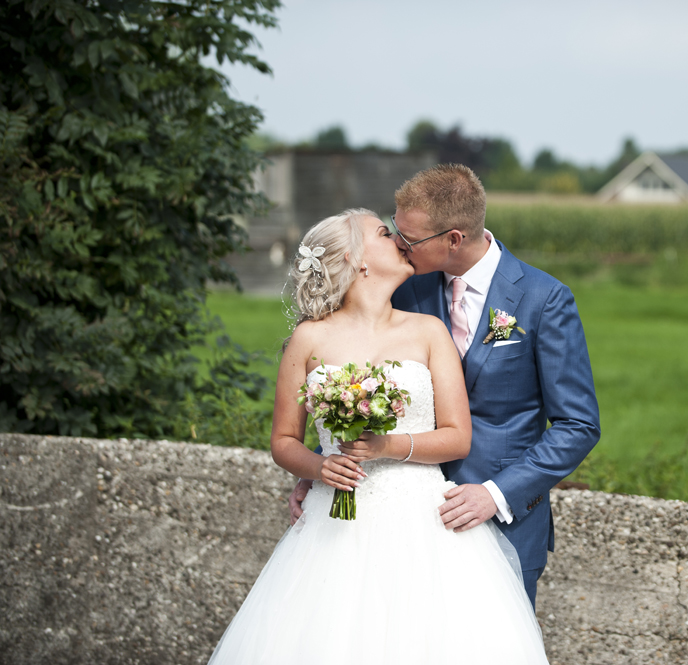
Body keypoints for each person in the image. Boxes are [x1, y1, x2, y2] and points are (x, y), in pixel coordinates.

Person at [208, 209, 549, 664]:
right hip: (334, 527)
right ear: (358, 260)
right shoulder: (308, 339)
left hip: (423, 521)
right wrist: (319, 467)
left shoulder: (428, 332)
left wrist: (388, 446)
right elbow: (284, 441)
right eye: (385, 233)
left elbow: (456, 437)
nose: (400, 240)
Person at [288, 164, 602, 606]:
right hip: (399, 518)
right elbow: (359, 375)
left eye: (409, 238)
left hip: (498, 518)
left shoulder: (543, 299)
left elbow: (578, 425)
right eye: (394, 230)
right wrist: (321, 466)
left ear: (453, 239)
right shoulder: (404, 286)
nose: (399, 243)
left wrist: (496, 494)